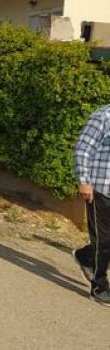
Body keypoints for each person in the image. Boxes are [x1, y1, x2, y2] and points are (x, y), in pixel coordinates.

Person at [73, 104, 110, 306]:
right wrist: (84, 180)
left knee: (105, 243)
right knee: (103, 241)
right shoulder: (104, 116)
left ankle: (85, 256)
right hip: (100, 187)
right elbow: (83, 148)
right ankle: (99, 287)